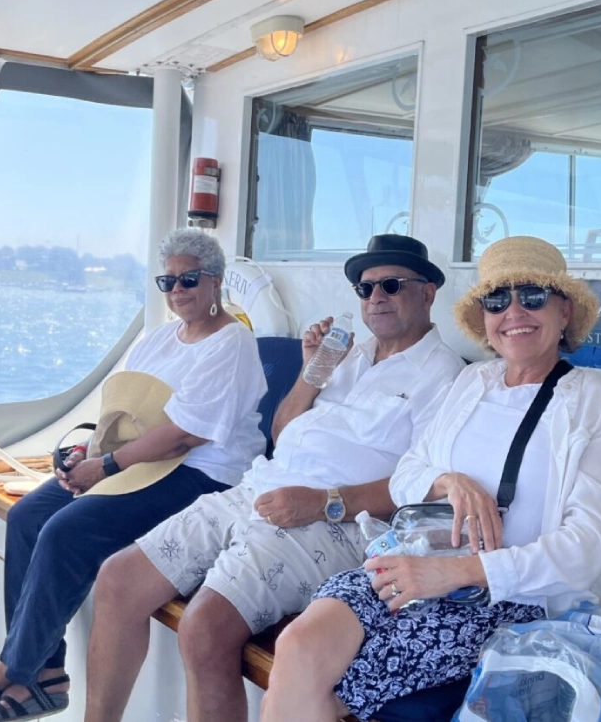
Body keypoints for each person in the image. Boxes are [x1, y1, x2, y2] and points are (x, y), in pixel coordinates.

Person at [83, 234, 467, 722]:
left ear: (428, 292)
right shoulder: (347, 355)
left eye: (390, 285)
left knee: (203, 628)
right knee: (117, 579)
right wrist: (311, 373)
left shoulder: (445, 375)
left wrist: (325, 502)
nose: (375, 298)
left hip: (334, 522)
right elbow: (283, 432)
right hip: (259, 490)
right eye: (365, 289)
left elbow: (424, 485)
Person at [260, 236, 601, 722]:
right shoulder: (472, 382)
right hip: (416, 562)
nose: (514, 312)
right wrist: (450, 481)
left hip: (511, 598)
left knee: (324, 689)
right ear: (485, 318)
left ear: (564, 311)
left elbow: (585, 547)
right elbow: (406, 478)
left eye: (534, 297)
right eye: (498, 301)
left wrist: (457, 573)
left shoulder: (595, 399)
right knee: (299, 643)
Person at [0, 229, 267, 722]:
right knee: (29, 515)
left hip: (201, 475)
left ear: (215, 282)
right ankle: (46, 676)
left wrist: (106, 466)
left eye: (189, 279)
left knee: (67, 531)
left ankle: (11, 672)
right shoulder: (160, 339)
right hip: (141, 463)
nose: (177, 290)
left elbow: (183, 437)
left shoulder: (232, 343)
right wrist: (82, 456)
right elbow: (122, 410)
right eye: (167, 281)